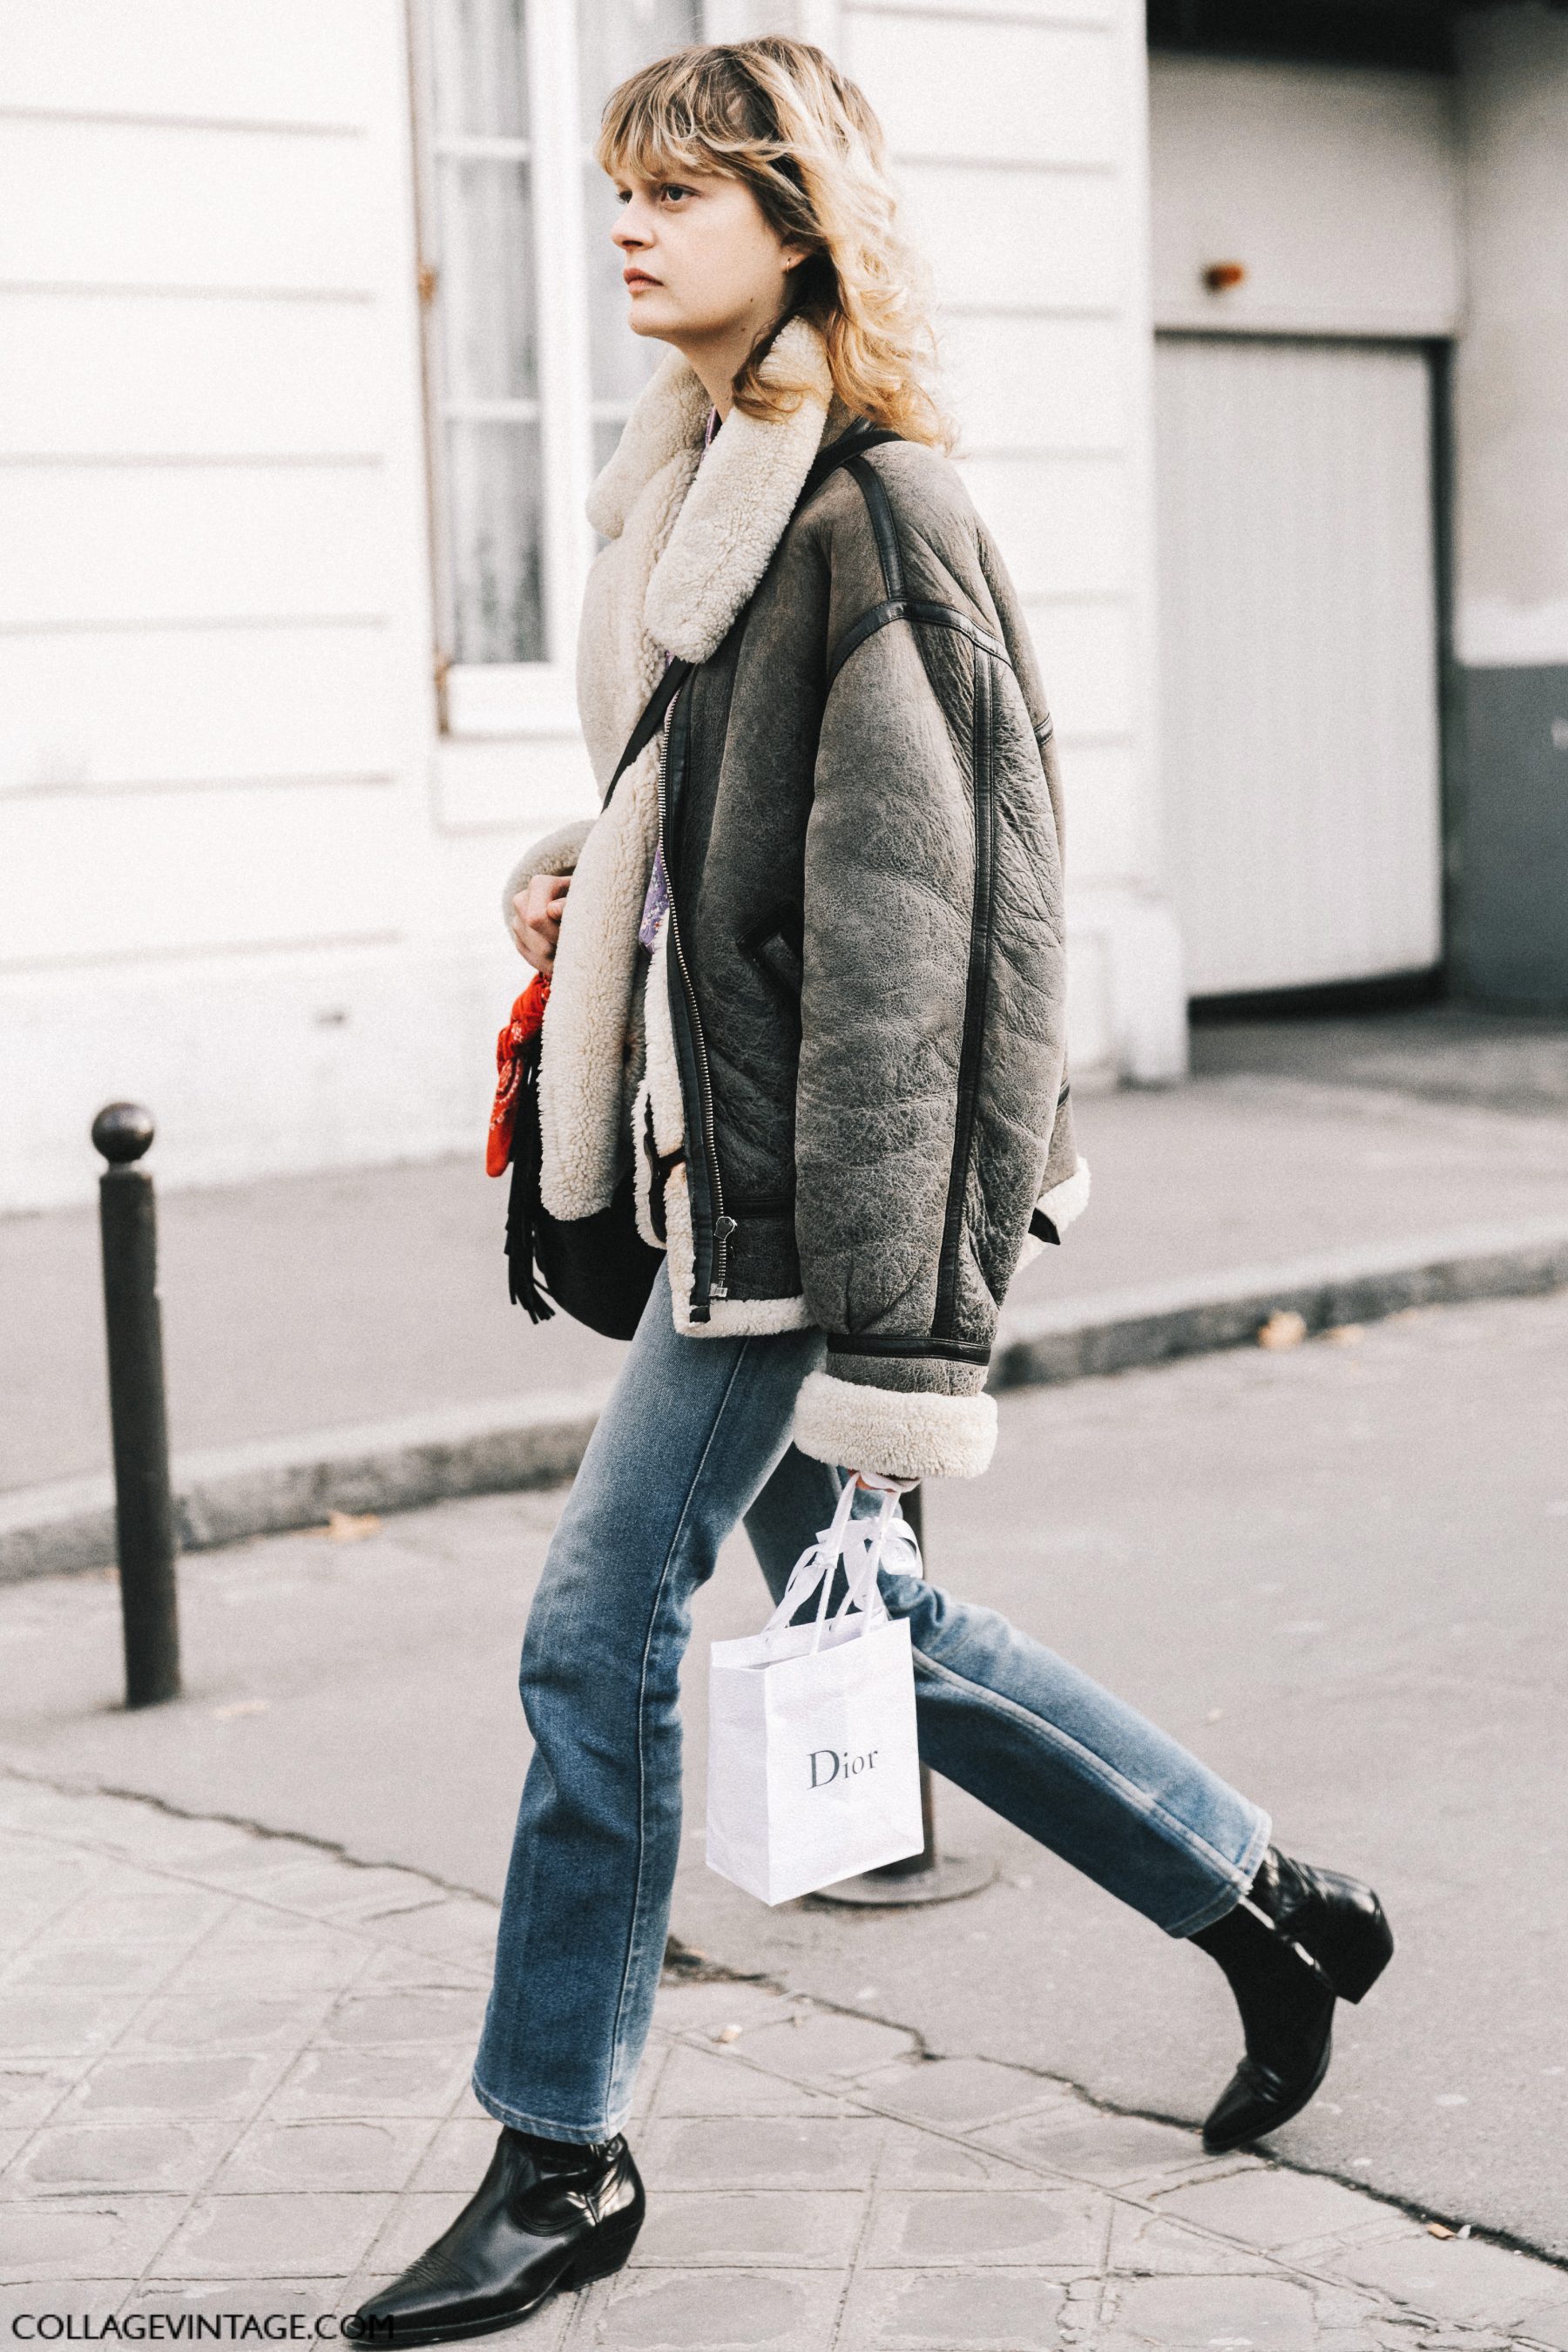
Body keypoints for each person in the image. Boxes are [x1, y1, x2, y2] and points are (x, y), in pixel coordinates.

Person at [357, 38, 1392, 2342]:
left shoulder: (876, 513)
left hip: (813, 1205)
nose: (626, 224)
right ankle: (1271, 1905)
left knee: (595, 1616)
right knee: (875, 1634)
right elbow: (719, 824)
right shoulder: (706, 480)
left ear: (800, 220)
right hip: (731, 1166)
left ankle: (563, 2142)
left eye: (679, 192)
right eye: (617, 189)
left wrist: (899, 1324)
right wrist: (584, 880)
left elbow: (941, 942)